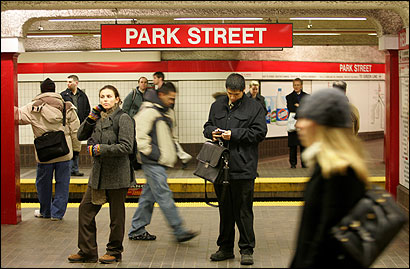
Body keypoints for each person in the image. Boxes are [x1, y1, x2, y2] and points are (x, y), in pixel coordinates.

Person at [290, 88, 368, 268]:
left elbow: (325, 246)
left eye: (306, 118)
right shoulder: (325, 166)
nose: (298, 125)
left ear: (323, 125)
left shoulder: (340, 173)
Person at [204, 73, 267, 265]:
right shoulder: (217, 105)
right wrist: (211, 132)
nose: (232, 97)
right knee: (225, 210)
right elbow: (207, 126)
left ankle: (246, 249)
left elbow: (260, 132)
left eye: (236, 94)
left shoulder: (255, 107)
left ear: (243, 90)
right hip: (220, 167)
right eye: (230, 93)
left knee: (244, 210)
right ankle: (225, 248)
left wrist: (234, 134)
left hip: (243, 167)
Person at [68, 85, 136, 264]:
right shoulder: (97, 118)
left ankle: (114, 251)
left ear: (117, 99)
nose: (105, 99)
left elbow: (127, 147)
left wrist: (101, 149)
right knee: (85, 210)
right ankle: (87, 251)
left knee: (116, 216)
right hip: (98, 175)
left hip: (117, 175)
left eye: (109, 96)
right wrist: (90, 117)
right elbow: (81, 135)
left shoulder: (124, 118)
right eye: (102, 97)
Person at [128, 82, 199, 243]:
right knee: (164, 194)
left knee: (148, 197)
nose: (172, 101)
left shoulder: (167, 112)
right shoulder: (148, 112)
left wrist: (179, 153)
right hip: (152, 162)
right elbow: (139, 136)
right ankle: (179, 229)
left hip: (160, 162)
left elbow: (170, 137)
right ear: (161, 95)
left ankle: (137, 229)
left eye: (174, 99)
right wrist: (152, 153)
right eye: (170, 98)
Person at [17, 78, 81, 220]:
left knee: (43, 183)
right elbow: (76, 131)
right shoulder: (67, 106)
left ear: (42, 90)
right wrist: (76, 150)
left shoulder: (32, 107)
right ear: (54, 90)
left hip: (44, 154)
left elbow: (17, 116)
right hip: (64, 152)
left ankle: (45, 212)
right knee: (62, 183)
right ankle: (57, 214)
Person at [153, 71, 192, 168]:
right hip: (168, 115)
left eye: (154, 78)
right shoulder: (161, 89)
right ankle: (183, 156)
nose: (153, 80)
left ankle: (182, 156)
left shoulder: (164, 89)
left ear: (160, 78)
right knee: (171, 138)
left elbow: (169, 104)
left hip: (167, 116)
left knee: (170, 137)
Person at [60, 75, 91, 177]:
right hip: (67, 126)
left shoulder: (82, 95)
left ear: (76, 83)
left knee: (77, 149)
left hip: (79, 126)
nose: (68, 84)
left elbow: (87, 109)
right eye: (67, 82)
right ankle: (68, 170)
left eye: (70, 82)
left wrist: (84, 123)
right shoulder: (63, 95)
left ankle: (75, 169)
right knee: (68, 147)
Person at [286, 78, 309, 168]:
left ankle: (304, 163)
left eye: (298, 85)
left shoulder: (307, 96)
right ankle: (293, 164)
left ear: (301, 86)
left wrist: (298, 106)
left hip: (303, 124)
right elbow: (290, 108)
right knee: (293, 145)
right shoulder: (289, 97)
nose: (296, 87)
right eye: (295, 85)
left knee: (304, 145)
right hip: (293, 124)